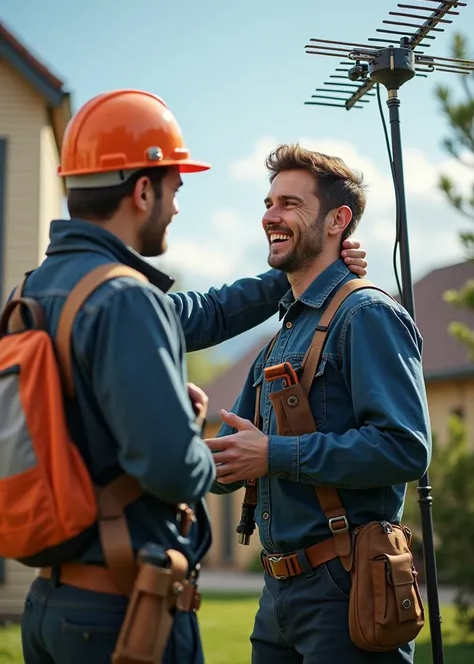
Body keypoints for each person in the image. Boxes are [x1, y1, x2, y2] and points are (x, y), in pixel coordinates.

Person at [13, 91, 367, 664]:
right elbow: (173, 470)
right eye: (174, 189)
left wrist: (296, 270)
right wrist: (216, 443)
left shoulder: (31, 296)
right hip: (121, 610)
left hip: (50, 604)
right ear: (143, 189)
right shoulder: (121, 296)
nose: (176, 207)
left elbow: (202, 315)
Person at [205, 144, 431, 664]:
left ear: (338, 220)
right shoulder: (282, 334)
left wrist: (274, 455)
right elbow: (233, 457)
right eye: (268, 202)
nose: (270, 216)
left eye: (289, 203)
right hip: (278, 596)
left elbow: (404, 448)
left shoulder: (368, 314)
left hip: (350, 587)